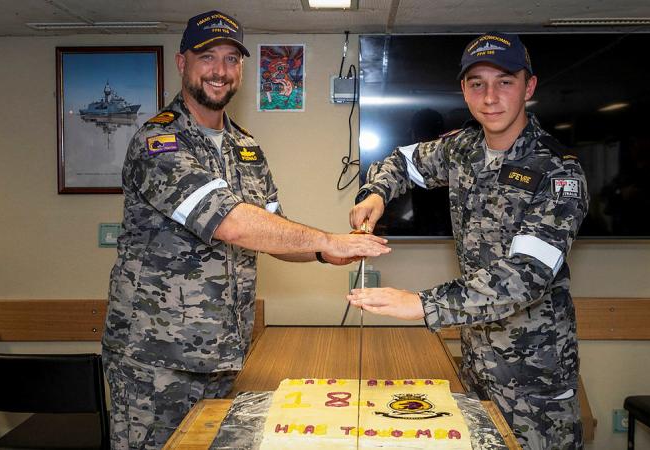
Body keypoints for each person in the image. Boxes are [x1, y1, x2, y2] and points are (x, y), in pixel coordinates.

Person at [101, 10, 390, 449]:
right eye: (208, 57)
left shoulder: (246, 148)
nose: (220, 71)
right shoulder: (157, 142)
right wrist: (328, 239)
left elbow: (271, 229)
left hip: (224, 354)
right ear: (182, 63)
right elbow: (232, 223)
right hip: (156, 360)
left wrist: (319, 253)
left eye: (232, 59)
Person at [347, 32, 588, 449]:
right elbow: (402, 161)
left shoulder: (558, 172)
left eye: (504, 82)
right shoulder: (462, 149)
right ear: (464, 89)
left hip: (535, 378)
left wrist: (422, 303)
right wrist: (376, 194)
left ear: (528, 87)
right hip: (476, 361)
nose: (490, 97)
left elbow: (526, 277)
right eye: (477, 83)